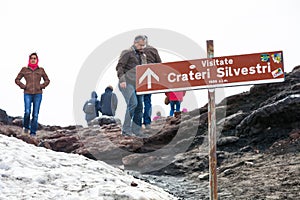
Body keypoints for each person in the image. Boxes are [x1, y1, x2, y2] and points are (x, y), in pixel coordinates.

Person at [116, 35, 147, 136]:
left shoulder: (143, 55)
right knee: (133, 103)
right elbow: (120, 66)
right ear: (135, 42)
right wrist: (122, 80)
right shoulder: (127, 52)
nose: (142, 47)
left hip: (138, 84)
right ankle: (126, 130)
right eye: (141, 45)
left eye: (144, 45)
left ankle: (136, 130)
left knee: (139, 106)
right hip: (127, 83)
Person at [15, 52, 50, 136]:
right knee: (27, 112)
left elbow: (47, 80)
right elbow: (17, 80)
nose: (33, 60)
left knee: (35, 114)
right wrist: (23, 86)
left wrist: (41, 86)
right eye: (32, 58)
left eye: (35, 58)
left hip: (38, 94)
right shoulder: (24, 69)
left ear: (37, 60)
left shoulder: (41, 70)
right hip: (27, 93)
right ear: (29, 59)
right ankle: (26, 128)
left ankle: (33, 133)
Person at [143, 35, 162, 129]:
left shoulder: (134, 51)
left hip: (137, 78)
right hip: (149, 80)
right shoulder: (153, 50)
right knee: (147, 100)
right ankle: (147, 122)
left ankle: (136, 123)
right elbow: (159, 63)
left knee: (136, 101)